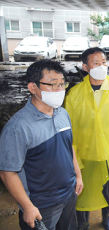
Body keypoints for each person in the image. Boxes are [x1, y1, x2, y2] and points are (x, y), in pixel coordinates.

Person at [0, 60, 83, 230]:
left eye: (62, 84)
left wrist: (78, 175)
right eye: (52, 85)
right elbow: (8, 173)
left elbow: (69, 146)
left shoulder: (63, 114)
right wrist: (28, 206)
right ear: (33, 87)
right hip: (41, 204)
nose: (60, 90)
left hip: (69, 193)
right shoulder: (18, 127)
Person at [64, 47, 109, 230]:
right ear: (85, 67)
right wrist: (74, 158)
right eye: (96, 63)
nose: (101, 66)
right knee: (83, 192)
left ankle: (107, 219)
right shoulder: (75, 94)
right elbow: (69, 129)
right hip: (85, 154)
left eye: (104, 62)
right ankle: (83, 222)